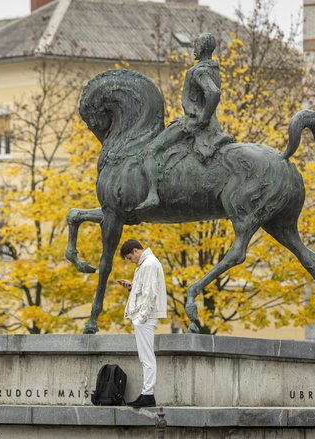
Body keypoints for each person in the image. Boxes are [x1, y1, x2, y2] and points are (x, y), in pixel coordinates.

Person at [135, 32, 234, 211]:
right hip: (204, 121)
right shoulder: (213, 68)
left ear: (202, 48)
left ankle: (152, 195)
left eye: (196, 45)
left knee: (149, 151)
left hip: (193, 123)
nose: (193, 49)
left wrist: (202, 118)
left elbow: (213, 93)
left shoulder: (199, 71)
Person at [118, 239, 168, 408]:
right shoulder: (148, 264)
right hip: (146, 315)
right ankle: (147, 393)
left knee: (146, 356)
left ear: (135, 251)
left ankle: (148, 394)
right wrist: (132, 287)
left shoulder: (148, 265)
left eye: (129, 258)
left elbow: (149, 293)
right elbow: (146, 289)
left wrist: (141, 318)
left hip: (145, 316)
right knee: (145, 355)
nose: (130, 261)